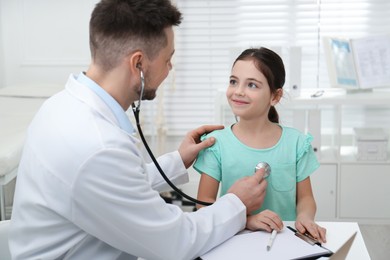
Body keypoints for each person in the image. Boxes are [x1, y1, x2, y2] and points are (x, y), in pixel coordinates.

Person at [8, 1, 270, 259]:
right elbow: (177, 242)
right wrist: (236, 202)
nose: (170, 69)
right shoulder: (97, 146)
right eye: (168, 60)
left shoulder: (60, 105)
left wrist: (178, 160)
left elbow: (118, 183)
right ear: (138, 64)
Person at [194, 47, 327, 243]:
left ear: (275, 96)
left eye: (252, 85)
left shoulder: (297, 143)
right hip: (233, 241)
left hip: (284, 241)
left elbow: (306, 199)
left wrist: (304, 217)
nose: (238, 91)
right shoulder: (216, 143)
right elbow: (204, 205)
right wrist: (247, 220)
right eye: (233, 81)